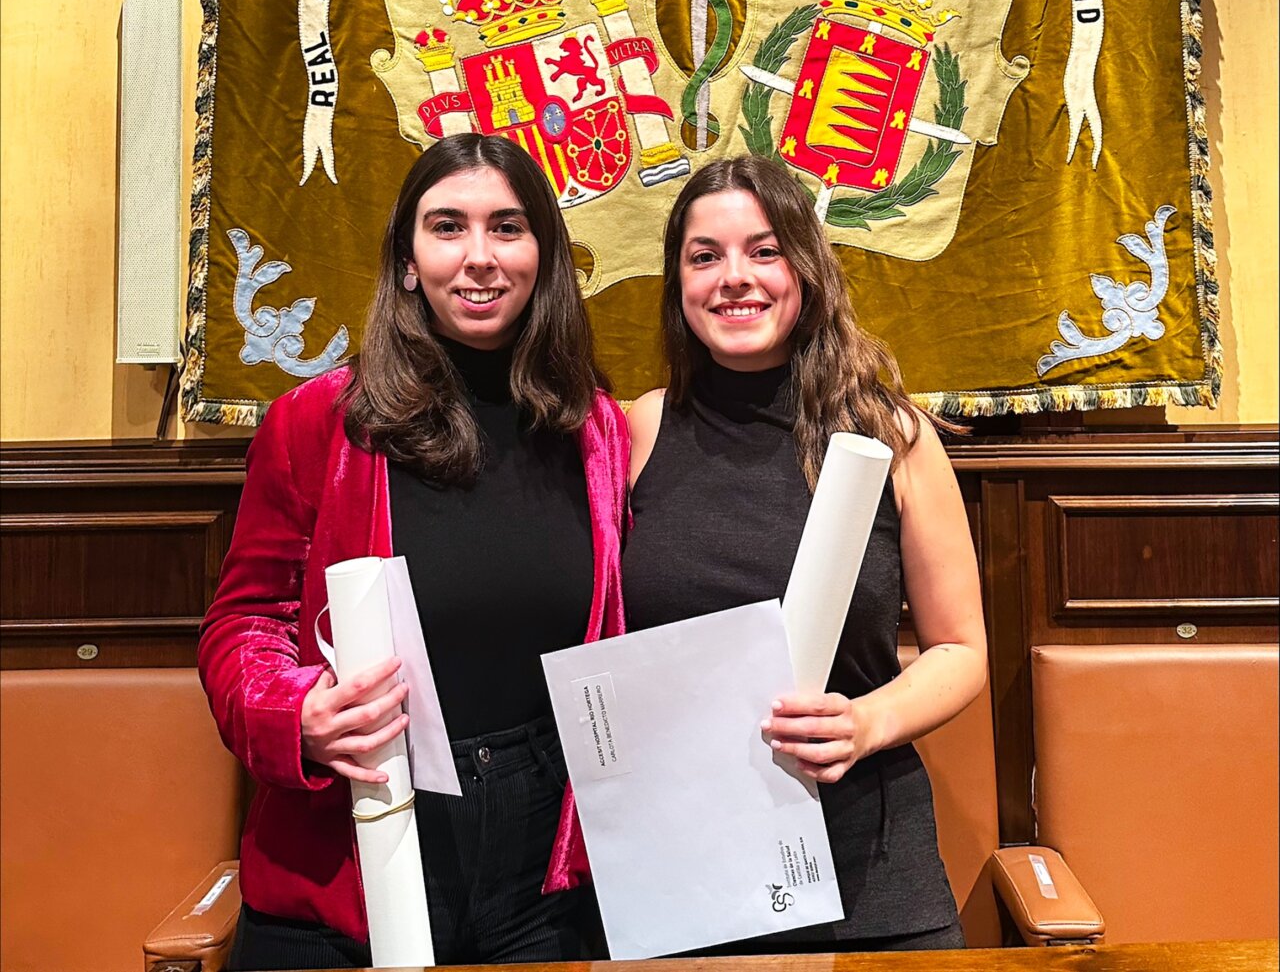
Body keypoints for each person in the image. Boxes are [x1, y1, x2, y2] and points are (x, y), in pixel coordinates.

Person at [198, 133, 629, 970]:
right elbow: (241, 623)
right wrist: (297, 713)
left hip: (542, 869)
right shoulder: (317, 422)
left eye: (507, 227)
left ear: (544, 255)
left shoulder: (594, 431)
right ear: (406, 260)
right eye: (447, 227)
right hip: (343, 855)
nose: (479, 256)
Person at [622, 156, 987, 953]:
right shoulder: (639, 431)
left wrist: (866, 720)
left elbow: (961, 649)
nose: (735, 277)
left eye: (765, 250)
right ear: (678, 283)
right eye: (705, 255)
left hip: (870, 872)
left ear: (807, 267)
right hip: (686, 873)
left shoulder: (892, 435)